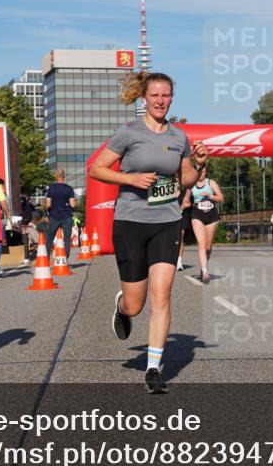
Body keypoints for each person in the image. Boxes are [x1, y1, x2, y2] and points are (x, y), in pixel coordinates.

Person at [89, 71, 209, 393]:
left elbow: (185, 179)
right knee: (136, 304)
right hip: (130, 222)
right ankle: (122, 308)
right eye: (155, 95)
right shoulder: (128, 133)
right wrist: (130, 179)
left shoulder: (179, 137)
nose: (160, 101)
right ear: (144, 98)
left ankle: (154, 368)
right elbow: (97, 169)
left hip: (167, 222)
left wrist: (197, 164)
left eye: (165, 95)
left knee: (162, 295)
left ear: (171, 98)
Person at [188, 165, 223, 282]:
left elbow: (221, 198)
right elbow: (186, 199)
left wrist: (210, 196)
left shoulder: (211, 183)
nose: (201, 173)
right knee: (202, 244)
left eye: (203, 171)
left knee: (208, 246)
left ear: (206, 172)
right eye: (199, 171)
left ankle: (204, 267)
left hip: (211, 215)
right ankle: (205, 271)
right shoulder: (191, 184)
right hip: (197, 215)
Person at [45, 169, 77, 263]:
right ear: (64, 177)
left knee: (49, 238)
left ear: (56, 176)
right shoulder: (69, 188)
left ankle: (46, 259)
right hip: (67, 216)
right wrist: (74, 203)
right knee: (67, 239)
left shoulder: (51, 188)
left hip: (54, 216)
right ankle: (65, 260)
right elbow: (72, 205)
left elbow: (48, 204)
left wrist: (48, 211)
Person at [176, 189, 192, 271]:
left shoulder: (186, 191)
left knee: (180, 238)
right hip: (168, 216)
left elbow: (187, 203)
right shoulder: (166, 190)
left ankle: (179, 262)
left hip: (182, 216)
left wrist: (181, 208)